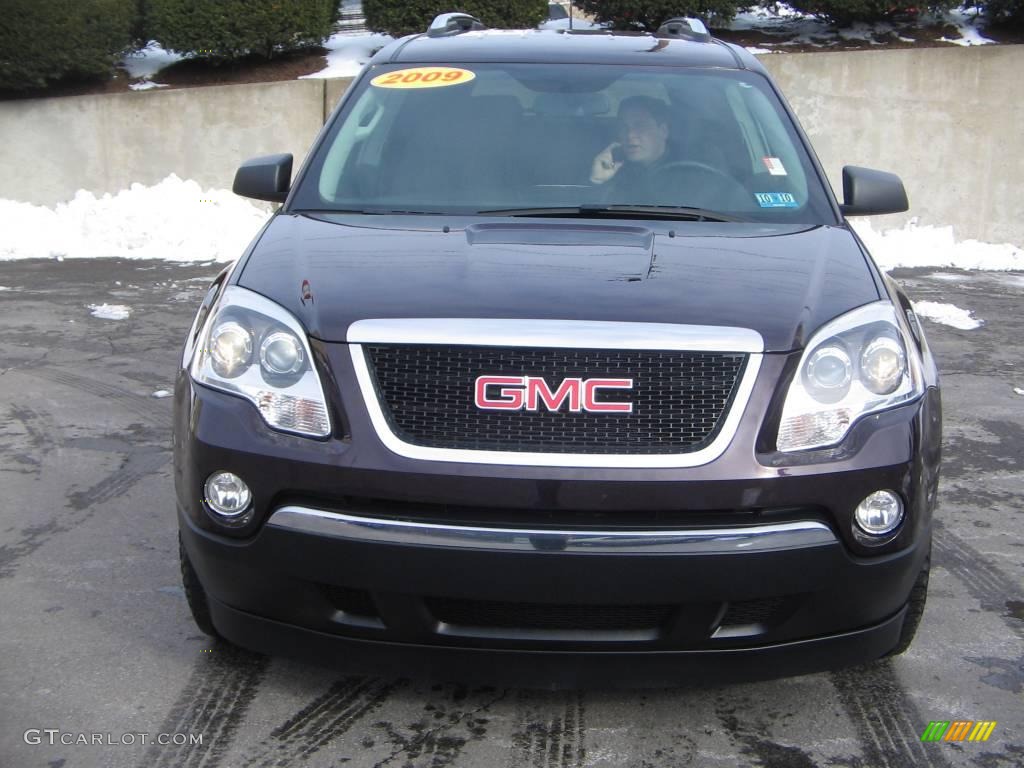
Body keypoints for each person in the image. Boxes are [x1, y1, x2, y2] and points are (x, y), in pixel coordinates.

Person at [589, 95, 675, 201]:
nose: (630, 134)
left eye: (640, 126)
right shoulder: (613, 170)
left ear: (663, 131)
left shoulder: (688, 174)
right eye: (623, 127)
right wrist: (598, 181)